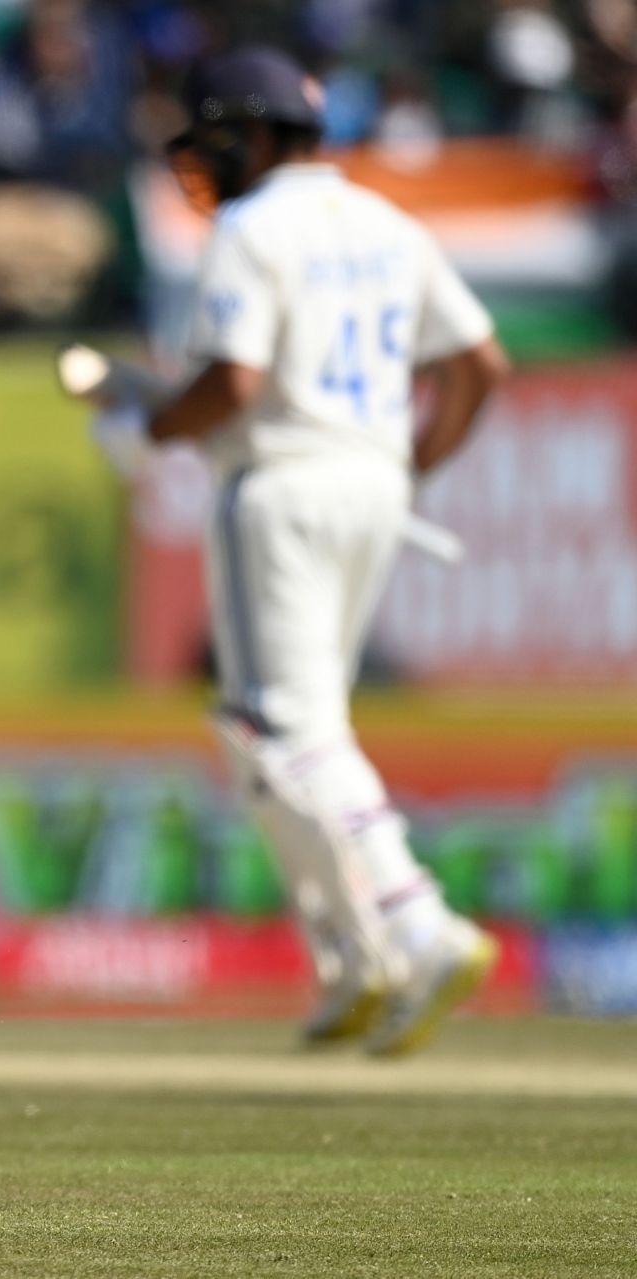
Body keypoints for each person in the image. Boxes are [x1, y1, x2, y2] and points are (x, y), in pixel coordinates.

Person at [148, 46, 511, 1054]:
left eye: (214, 139)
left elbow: (234, 383)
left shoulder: (252, 228)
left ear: (250, 137)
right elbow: (482, 364)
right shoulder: (385, 222)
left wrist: (150, 424)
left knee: (288, 731)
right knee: (280, 735)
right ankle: (356, 955)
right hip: (371, 484)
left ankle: (417, 926)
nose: (205, 163)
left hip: (281, 486)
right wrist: (411, 465)